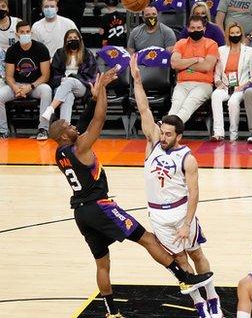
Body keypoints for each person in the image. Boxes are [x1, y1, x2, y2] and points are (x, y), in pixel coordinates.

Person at [48, 67, 214, 318]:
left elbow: (82, 122)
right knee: (147, 239)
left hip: (81, 215)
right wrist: (102, 89)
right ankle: (184, 278)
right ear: (64, 136)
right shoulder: (80, 147)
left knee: (102, 262)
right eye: (69, 126)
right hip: (100, 206)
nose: (74, 127)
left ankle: (111, 311)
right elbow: (98, 120)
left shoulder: (60, 152)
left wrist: (93, 98)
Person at [129, 54, 223, 318]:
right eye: (163, 131)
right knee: (180, 261)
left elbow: (194, 194)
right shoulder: (153, 143)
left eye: (169, 134)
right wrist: (137, 81)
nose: (164, 136)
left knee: (196, 254)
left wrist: (186, 223)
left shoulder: (188, 158)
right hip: (157, 214)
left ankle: (213, 296)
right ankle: (199, 303)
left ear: (179, 136)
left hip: (182, 213)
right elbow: (144, 108)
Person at [1, 21, 52, 140]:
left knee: (47, 90)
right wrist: (15, 88)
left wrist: (30, 87)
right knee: (0, 95)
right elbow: (8, 75)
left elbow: (45, 76)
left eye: (27, 32)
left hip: (35, 85)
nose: (25, 34)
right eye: (22, 32)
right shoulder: (12, 50)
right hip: (17, 85)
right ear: (17, 34)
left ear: (31, 33)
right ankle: (2, 131)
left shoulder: (41, 48)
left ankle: (43, 129)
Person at [169, 15, 219, 123]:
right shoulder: (180, 43)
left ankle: (169, 126)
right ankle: (170, 128)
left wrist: (184, 63)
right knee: (176, 105)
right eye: (192, 28)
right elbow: (174, 64)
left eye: (198, 28)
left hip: (203, 85)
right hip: (182, 83)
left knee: (188, 104)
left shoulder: (211, 44)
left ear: (204, 29)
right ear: (188, 28)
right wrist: (196, 59)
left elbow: (207, 66)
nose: (195, 30)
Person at [211, 21, 252, 141]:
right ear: (228, 34)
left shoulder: (250, 51)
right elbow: (217, 73)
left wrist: (242, 87)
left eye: (237, 32)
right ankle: (218, 133)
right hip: (225, 86)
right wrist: (218, 83)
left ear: (241, 33)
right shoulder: (221, 50)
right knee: (215, 95)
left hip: (241, 87)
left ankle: (233, 135)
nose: (234, 35)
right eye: (232, 33)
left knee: (233, 102)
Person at [41, 29, 97, 122]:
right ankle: (65, 127)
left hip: (81, 86)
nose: (73, 39)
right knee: (68, 96)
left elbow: (91, 74)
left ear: (80, 39)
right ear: (65, 40)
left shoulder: (87, 54)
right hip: (62, 86)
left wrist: (72, 77)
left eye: (75, 37)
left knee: (69, 81)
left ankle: (51, 108)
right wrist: (64, 80)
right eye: (70, 38)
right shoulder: (59, 53)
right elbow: (55, 73)